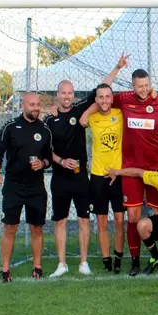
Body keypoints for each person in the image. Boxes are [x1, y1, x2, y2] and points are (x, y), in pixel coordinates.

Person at [81, 56, 158, 276]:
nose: (143, 90)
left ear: (150, 84)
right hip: (130, 171)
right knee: (134, 218)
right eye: (139, 86)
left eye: (146, 86)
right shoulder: (124, 99)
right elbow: (103, 93)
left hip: (156, 170)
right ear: (132, 86)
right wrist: (88, 112)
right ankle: (136, 261)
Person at [0, 93, 53, 282]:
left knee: (37, 228)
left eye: (38, 104)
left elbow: (49, 158)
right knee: (10, 228)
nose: (35, 107)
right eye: (32, 104)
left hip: (36, 187)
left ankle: (37, 268)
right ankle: (5, 270)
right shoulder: (10, 127)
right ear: (23, 105)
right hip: (13, 186)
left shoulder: (44, 130)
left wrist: (42, 163)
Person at [45, 80, 96, 278]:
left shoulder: (78, 109)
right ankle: (62, 264)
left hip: (80, 177)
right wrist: (61, 161)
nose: (66, 96)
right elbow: (46, 151)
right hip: (60, 178)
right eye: (63, 93)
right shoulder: (49, 119)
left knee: (84, 220)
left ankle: (84, 262)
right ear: (57, 94)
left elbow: (100, 91)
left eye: (70, 93)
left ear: (73, 95)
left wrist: (117, 67)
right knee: (60, 221)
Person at [86, 83, 125, 273]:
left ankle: (118, 258)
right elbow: (81, 120)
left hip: (117, 176)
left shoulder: (119, 114)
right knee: (101, 222)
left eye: (107, 97)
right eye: (100, 97)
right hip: (98, 177)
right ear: (96, 100)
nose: (104, 101)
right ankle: (106, 259)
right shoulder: (91, 117)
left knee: (119, 220)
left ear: (112, 98)